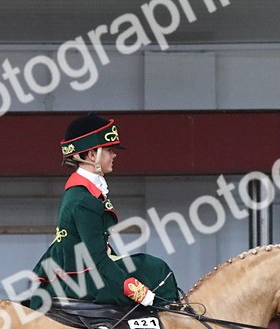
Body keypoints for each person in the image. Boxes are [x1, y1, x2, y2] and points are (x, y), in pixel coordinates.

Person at [29, 113, 180, 310]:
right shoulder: (84, 200)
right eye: (109, 151)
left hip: (74, 270)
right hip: (77, 279)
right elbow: (97, 258)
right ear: (92, 155)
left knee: (149, 265)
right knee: (157, 270)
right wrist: (138, 292)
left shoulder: (82, 192)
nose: (114, 155)